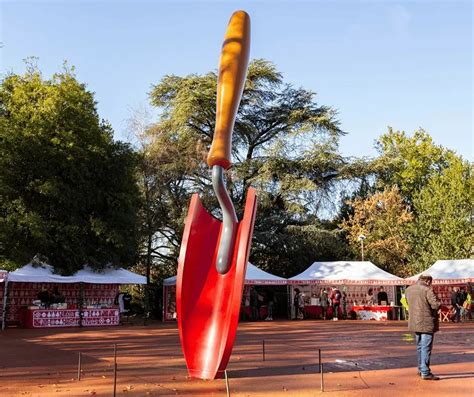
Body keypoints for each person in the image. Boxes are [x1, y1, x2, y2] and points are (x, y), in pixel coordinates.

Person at [405, 274, 441, 380]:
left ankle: (421, 369)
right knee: (426, 347)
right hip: (426, 322)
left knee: (420, 347)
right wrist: (439, 302)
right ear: (428, 281)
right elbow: (435, 305)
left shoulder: (409, 290)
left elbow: (408, 303)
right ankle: (425, 372)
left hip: (414, 322)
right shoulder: (427, 290)